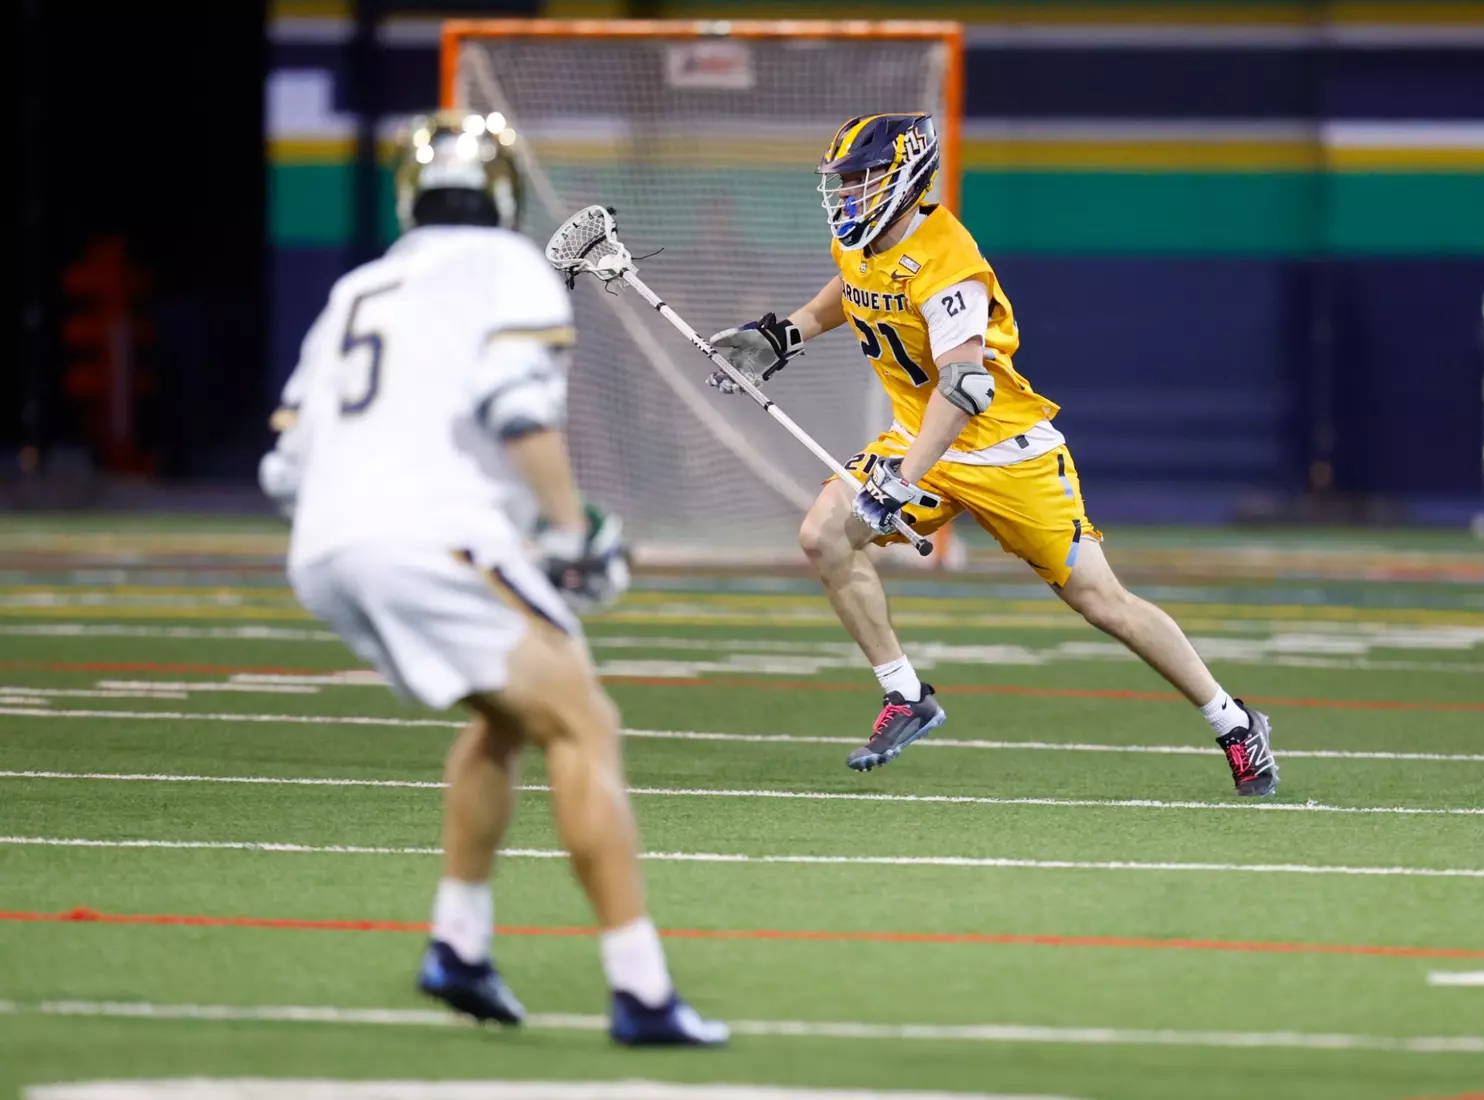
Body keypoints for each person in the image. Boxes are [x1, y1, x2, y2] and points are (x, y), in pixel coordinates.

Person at [258, 109, 728, 1044]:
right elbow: (518, 411)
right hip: (429, 538)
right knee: (584, 720)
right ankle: (640, 990)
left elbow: (283, 468)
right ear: (504, 194)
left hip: (325, 547)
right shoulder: (510, 269)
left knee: (506, 713)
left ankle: (460, 945)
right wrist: (568, 529)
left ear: (410, 197)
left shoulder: (360, 285)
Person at [706, 113, 1278, 796]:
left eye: (863, 179)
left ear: (906, 176)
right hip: (922, 438)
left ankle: (1233, 722)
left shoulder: (949, 261)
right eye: (846, 181)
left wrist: (901, 479)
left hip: (1005, 451)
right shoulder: (862, 241)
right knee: (823, 535)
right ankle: (906, 694)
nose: (849, 194)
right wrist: (787, 334)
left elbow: (966, 386)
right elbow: (855, 288)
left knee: (1102, 601)